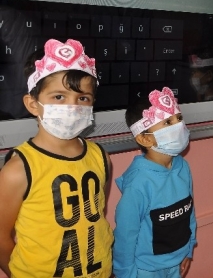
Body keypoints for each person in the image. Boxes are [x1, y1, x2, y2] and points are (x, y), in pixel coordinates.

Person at [0, 38, 114, 277]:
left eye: (83, 98)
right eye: (59, 97)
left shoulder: (101, 157)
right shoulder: (18, 170)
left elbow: (97, 217)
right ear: (33, 104)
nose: (73, 106)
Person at [114, 87, 197, 278]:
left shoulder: (182, 166)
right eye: (168, 122)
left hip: (177, 262)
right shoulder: (138, 183)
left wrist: (188, 248)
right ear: (144, 138)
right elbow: (125, 235)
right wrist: (126, 274)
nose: (178, 125)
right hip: (146, 270)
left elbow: (189, 212)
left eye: (178, 118)